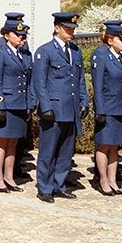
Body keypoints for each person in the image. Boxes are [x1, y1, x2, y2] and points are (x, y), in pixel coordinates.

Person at [31, 12, 89, 203]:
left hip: (70, 108)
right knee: (48, 150)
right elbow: (39, 82)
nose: (71, 32)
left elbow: (79, 80)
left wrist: (83, 101)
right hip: (54, 109)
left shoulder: (75, 51)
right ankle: (45, 187)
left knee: (66, 150)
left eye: (73, 29)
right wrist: (45, 107)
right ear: (57, 28)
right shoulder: (45, 51)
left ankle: (59, 184)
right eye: (68, 28)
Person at [0, 20, 32, 192]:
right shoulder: (0, 53)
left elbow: (27, 82)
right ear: (6, 35)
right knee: (1, 142)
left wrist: (28, 103)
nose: (21, 38)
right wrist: (0, 105)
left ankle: (9, 176)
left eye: (23, 35)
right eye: (17, 34)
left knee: (13, 142)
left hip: (19, 104)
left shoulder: (23, 54)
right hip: (5, 104)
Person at [92, 24, 122, 196]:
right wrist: (100, 110)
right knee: (104, 145)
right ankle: (103, 180)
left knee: (114, 146)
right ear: (110, 40)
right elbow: (98, 85)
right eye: (120, 39)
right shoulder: (101, 56)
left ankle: (113, 180)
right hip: (108, 108)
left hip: (121, 108)